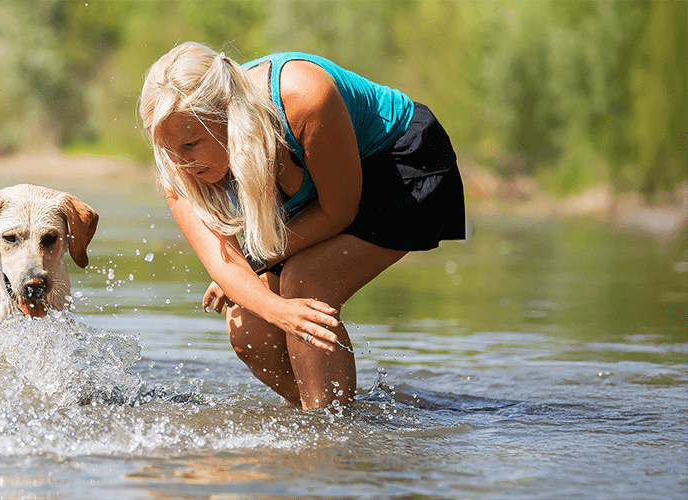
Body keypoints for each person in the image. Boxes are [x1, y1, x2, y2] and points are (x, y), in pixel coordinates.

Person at [139, 42, 465, 409]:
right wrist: (270, 305)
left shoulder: (304, 96)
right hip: (312, 189)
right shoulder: (176, 164)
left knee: (306, 281)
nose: (180, 164)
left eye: (191, 144)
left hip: (396, 166)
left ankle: (329, 435)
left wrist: (262, 277)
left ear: (228, 115)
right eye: (169, 150)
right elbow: (223, 263)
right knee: (249, 329)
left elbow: (337, 210)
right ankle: (328, 420)